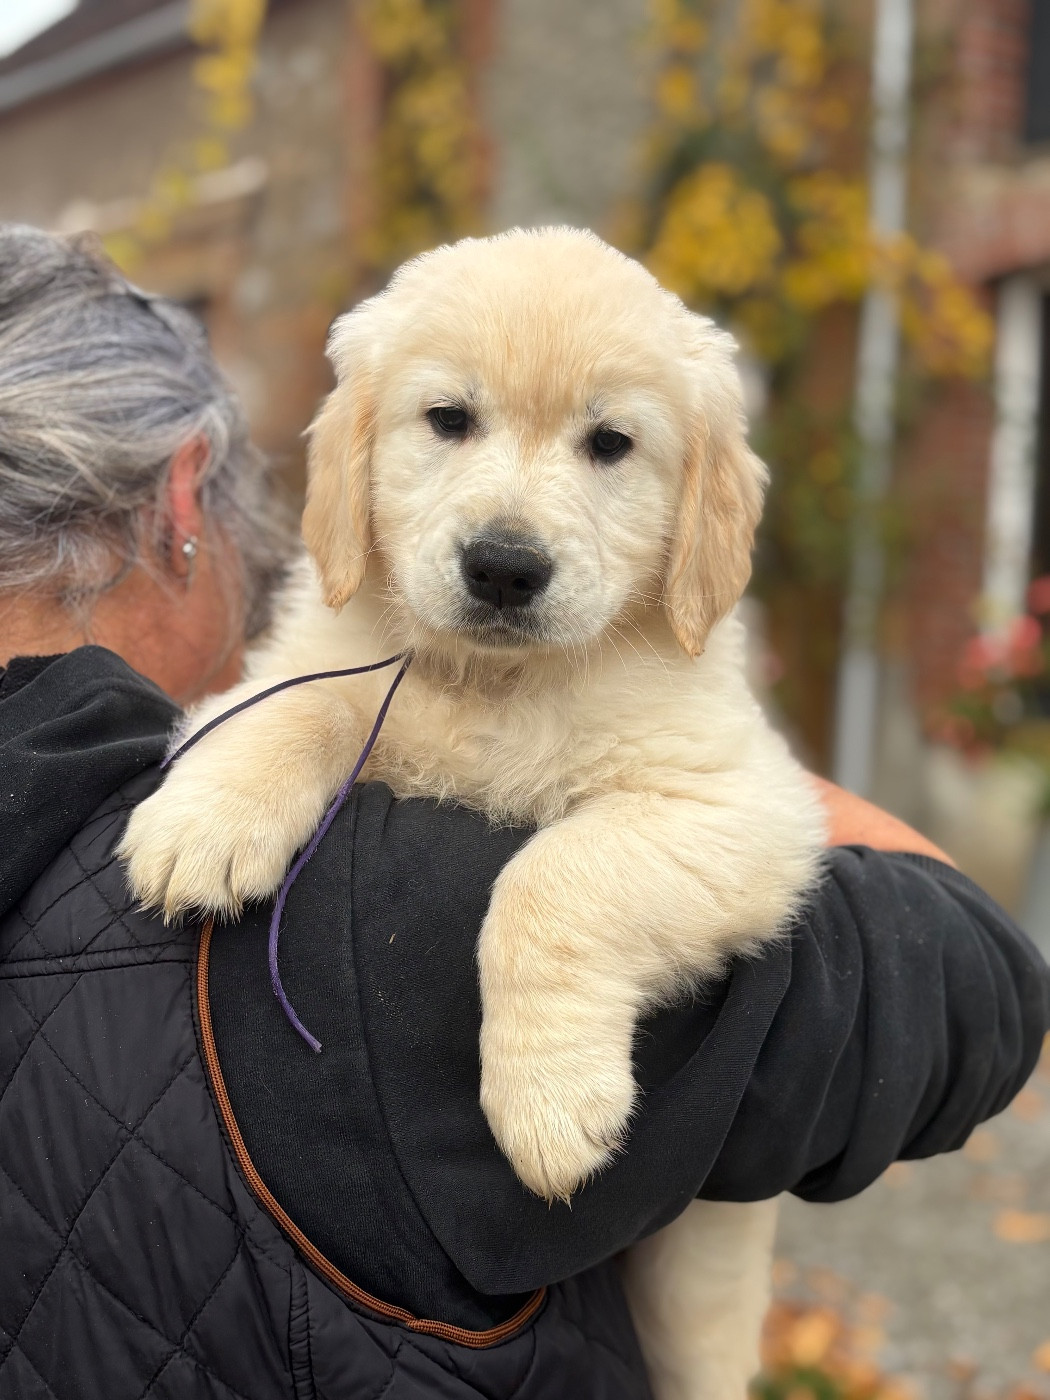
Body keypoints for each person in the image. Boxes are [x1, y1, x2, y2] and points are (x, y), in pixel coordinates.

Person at [0, 223, 1046, 1400]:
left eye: (608, 442)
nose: (512, 532)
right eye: (450, 420)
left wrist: (559, 945)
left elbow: (743, 824)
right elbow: (962, 979)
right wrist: (275, 749)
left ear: (703, 502)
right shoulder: (330, 681)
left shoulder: (651, 673)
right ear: (352, 455)